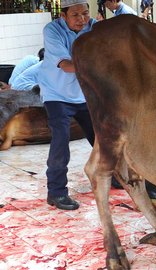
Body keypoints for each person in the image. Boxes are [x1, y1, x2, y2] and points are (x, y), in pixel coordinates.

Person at [38, 0, 97, 210]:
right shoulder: (52, 30)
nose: (82, 19)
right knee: (61, 140)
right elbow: (66, 65)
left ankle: (116, 177)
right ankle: (56, 192)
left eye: (85, 13)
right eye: (75, 15)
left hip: (83, 93)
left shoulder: (94, 28)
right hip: (56, 92)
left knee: (102, 138)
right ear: (63, 16)